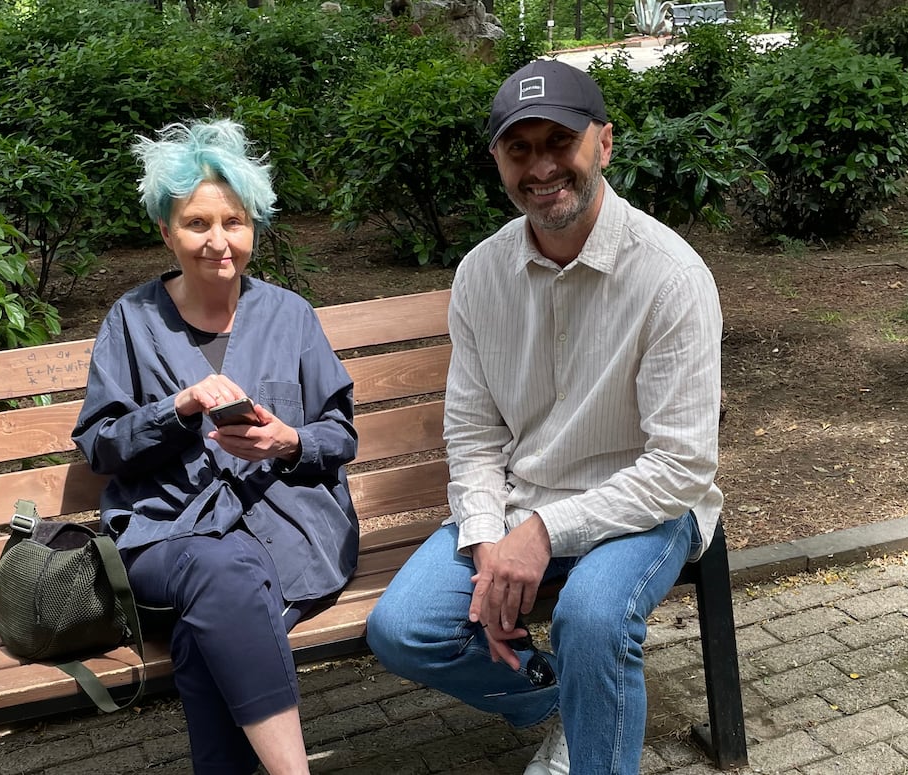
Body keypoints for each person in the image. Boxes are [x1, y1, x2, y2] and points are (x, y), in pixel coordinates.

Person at [365, 59, 723, 775]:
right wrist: (487, 532)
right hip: (523, 500)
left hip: (646, 507)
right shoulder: (481, 273)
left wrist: (542, 533)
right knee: (403, 629)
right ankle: (561, 696)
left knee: (590, 617)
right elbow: (471, 433)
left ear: (604, 143)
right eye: (518, 148)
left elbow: (680, 465)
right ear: (498, 158)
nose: (541, 166)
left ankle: (592, 725)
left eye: (559, 141)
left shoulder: (671, 276)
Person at [72, 119, 358, 775]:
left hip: (291, 535)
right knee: (222, 572)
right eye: (197, 223)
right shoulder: (132, 321)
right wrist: (175, 408)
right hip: (164, 536)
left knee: (211, 631)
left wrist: (289, 440)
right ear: (165, 232)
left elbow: (339, 434)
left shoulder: (290, 315)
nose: (219, 241)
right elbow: (101, 447)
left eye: (234, 221)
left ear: (254, 225)